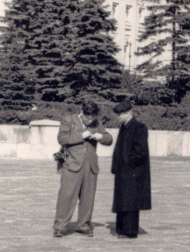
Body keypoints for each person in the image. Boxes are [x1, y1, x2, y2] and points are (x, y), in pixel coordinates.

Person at [53, 102, 113, 237]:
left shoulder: (97, 123)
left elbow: (109, 139)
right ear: (82, 112)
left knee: (88, 197)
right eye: (88, 117)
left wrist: (101, 137)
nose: (90, 120)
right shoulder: (69, 119)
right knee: (66, 196)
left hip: (90, 165)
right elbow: (62, 138)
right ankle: (60, 226)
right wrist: (82, 135)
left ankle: (83, 225)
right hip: (72, 164)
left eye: (93, 117)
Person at [110, 101, 151, 239]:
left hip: (133, 172)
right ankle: (121, 229)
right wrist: (117, 167)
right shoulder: (124, 127)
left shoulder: (139, 128)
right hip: (123, 171)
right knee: (123, 200)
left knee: (130, 201)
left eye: (120, 115)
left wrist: (127, 164)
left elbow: (140, 152)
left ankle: (130, 231)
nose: (118, 117)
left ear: (128, 113)